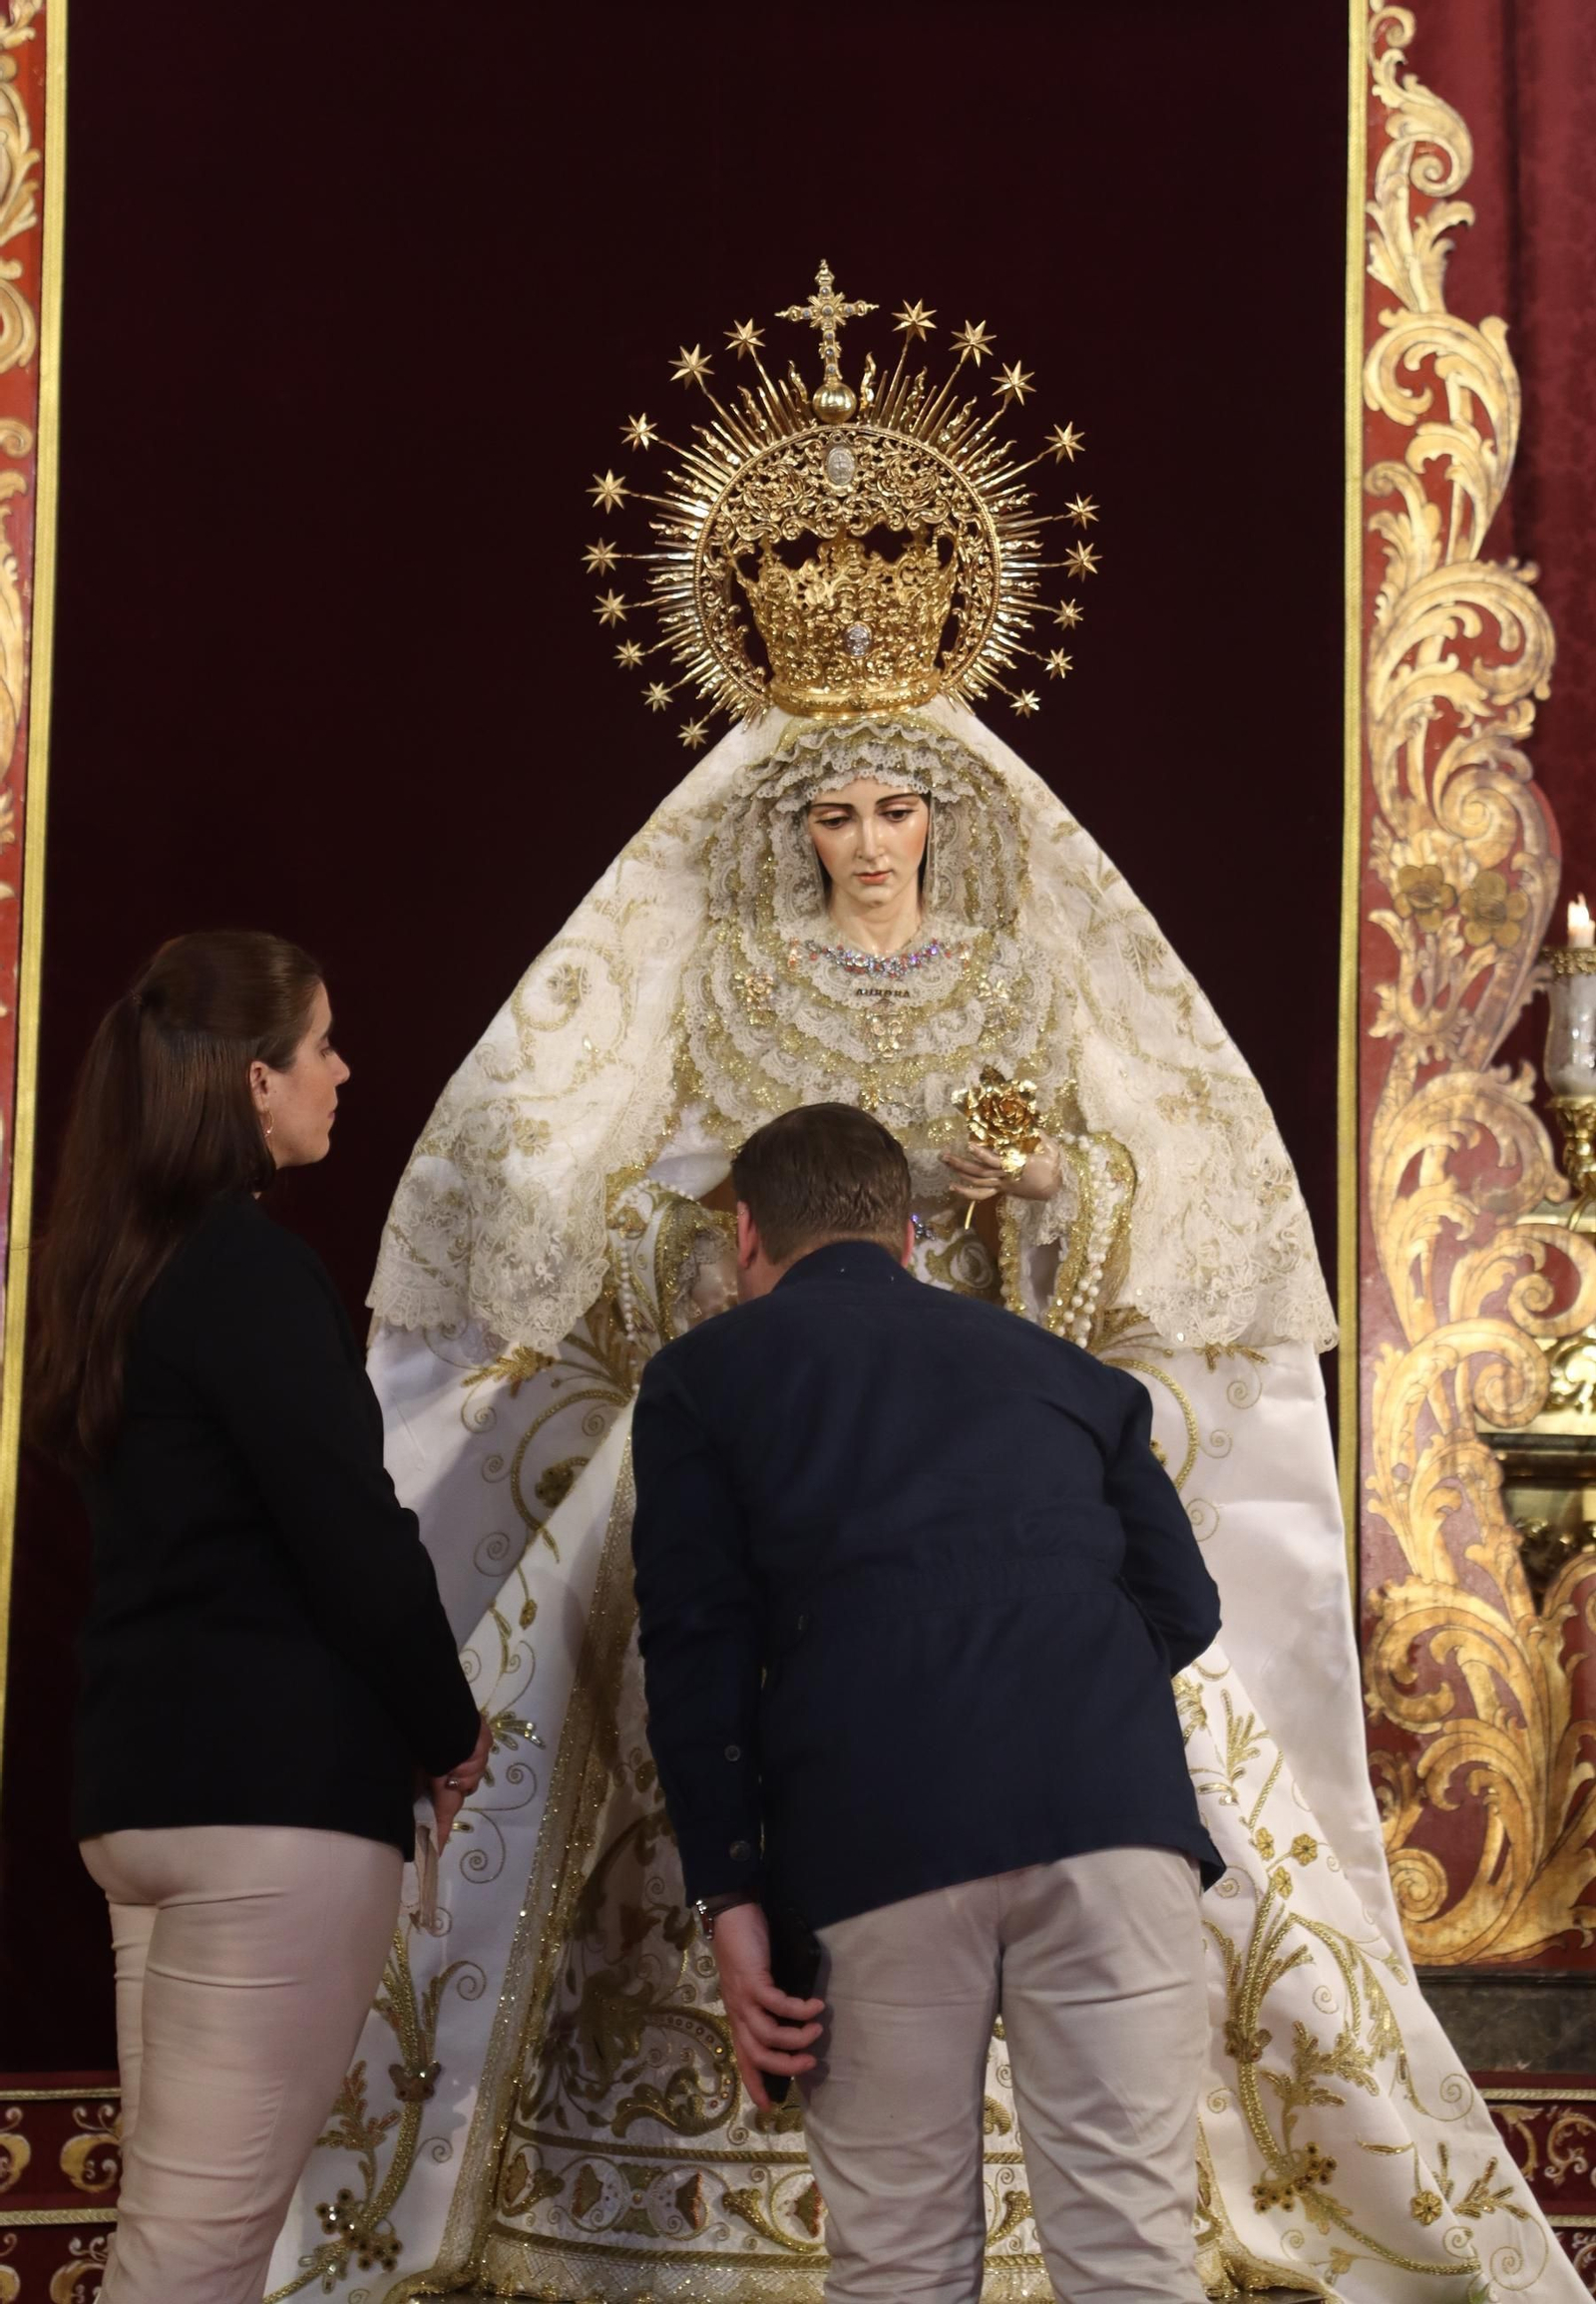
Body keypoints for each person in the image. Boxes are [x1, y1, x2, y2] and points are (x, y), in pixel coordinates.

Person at [270, 704, 1579, 2304]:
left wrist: (1037, 1200)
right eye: (836, 815)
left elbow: (1089, 1199)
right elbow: (649, 1206)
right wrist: (692, 1240)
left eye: (899, 809)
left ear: (943, 819)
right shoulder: (735, 976)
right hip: (866, 1468)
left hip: (961, 1469)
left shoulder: (1012, 971)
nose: (871, 844)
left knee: (927, 2243)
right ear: (792, 829)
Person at [631, 1101, 1222, 2303]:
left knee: (899, 2265)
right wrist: (1057, 1693)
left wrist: (728, 1893)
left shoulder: (701, 1377)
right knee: (1135, 2262)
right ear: (909, 1233)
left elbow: (694, 1645)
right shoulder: (1066, 1370)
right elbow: (1185, 1602)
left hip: (873, 1830)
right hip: (1114, 1815)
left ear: (745, 1234)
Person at [27, 930, 491, 2304]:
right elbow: (348, 1532)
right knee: (199, 2255)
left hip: (140, 1799)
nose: (341, 1072)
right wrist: (447, 1728)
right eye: (321, 1046)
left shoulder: (112, 1269)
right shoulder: (250, 1271)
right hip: (270, 1807)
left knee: (170, 2241)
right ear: (252, 1079)